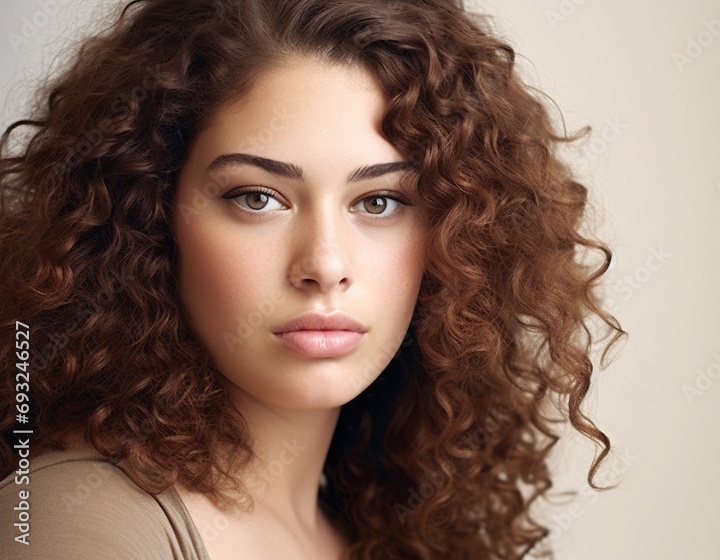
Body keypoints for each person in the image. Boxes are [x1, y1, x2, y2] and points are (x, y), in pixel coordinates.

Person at [0, 0, 626, 558]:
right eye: (257, 198)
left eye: (378, 202)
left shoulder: (367, 522)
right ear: (148, 216)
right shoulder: (83, 529)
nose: (325, 264)